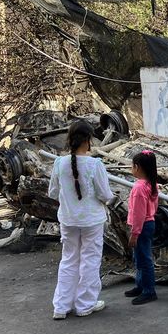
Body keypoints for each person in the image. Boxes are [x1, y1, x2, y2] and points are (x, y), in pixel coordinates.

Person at [48, 120, 114, 320]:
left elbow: (52, 192)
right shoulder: (95, 165)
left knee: (68, 260)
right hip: (91, 221)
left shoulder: (59, 163)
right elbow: (105, 194)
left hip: (68, 219)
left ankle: (61, 306)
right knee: (90, 261)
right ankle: (85, 304)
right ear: (88, 140)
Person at [125, 149, 159, 305]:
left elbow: (139, 214)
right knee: (139, 257)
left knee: (144, 260)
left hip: (142, 226)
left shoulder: (138, 188)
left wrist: (134, 233)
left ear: (137, 167)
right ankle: (140, 286)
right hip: (149, 224)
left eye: (132, 166)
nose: (131, 169)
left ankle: (149, 291)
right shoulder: (151, 184)